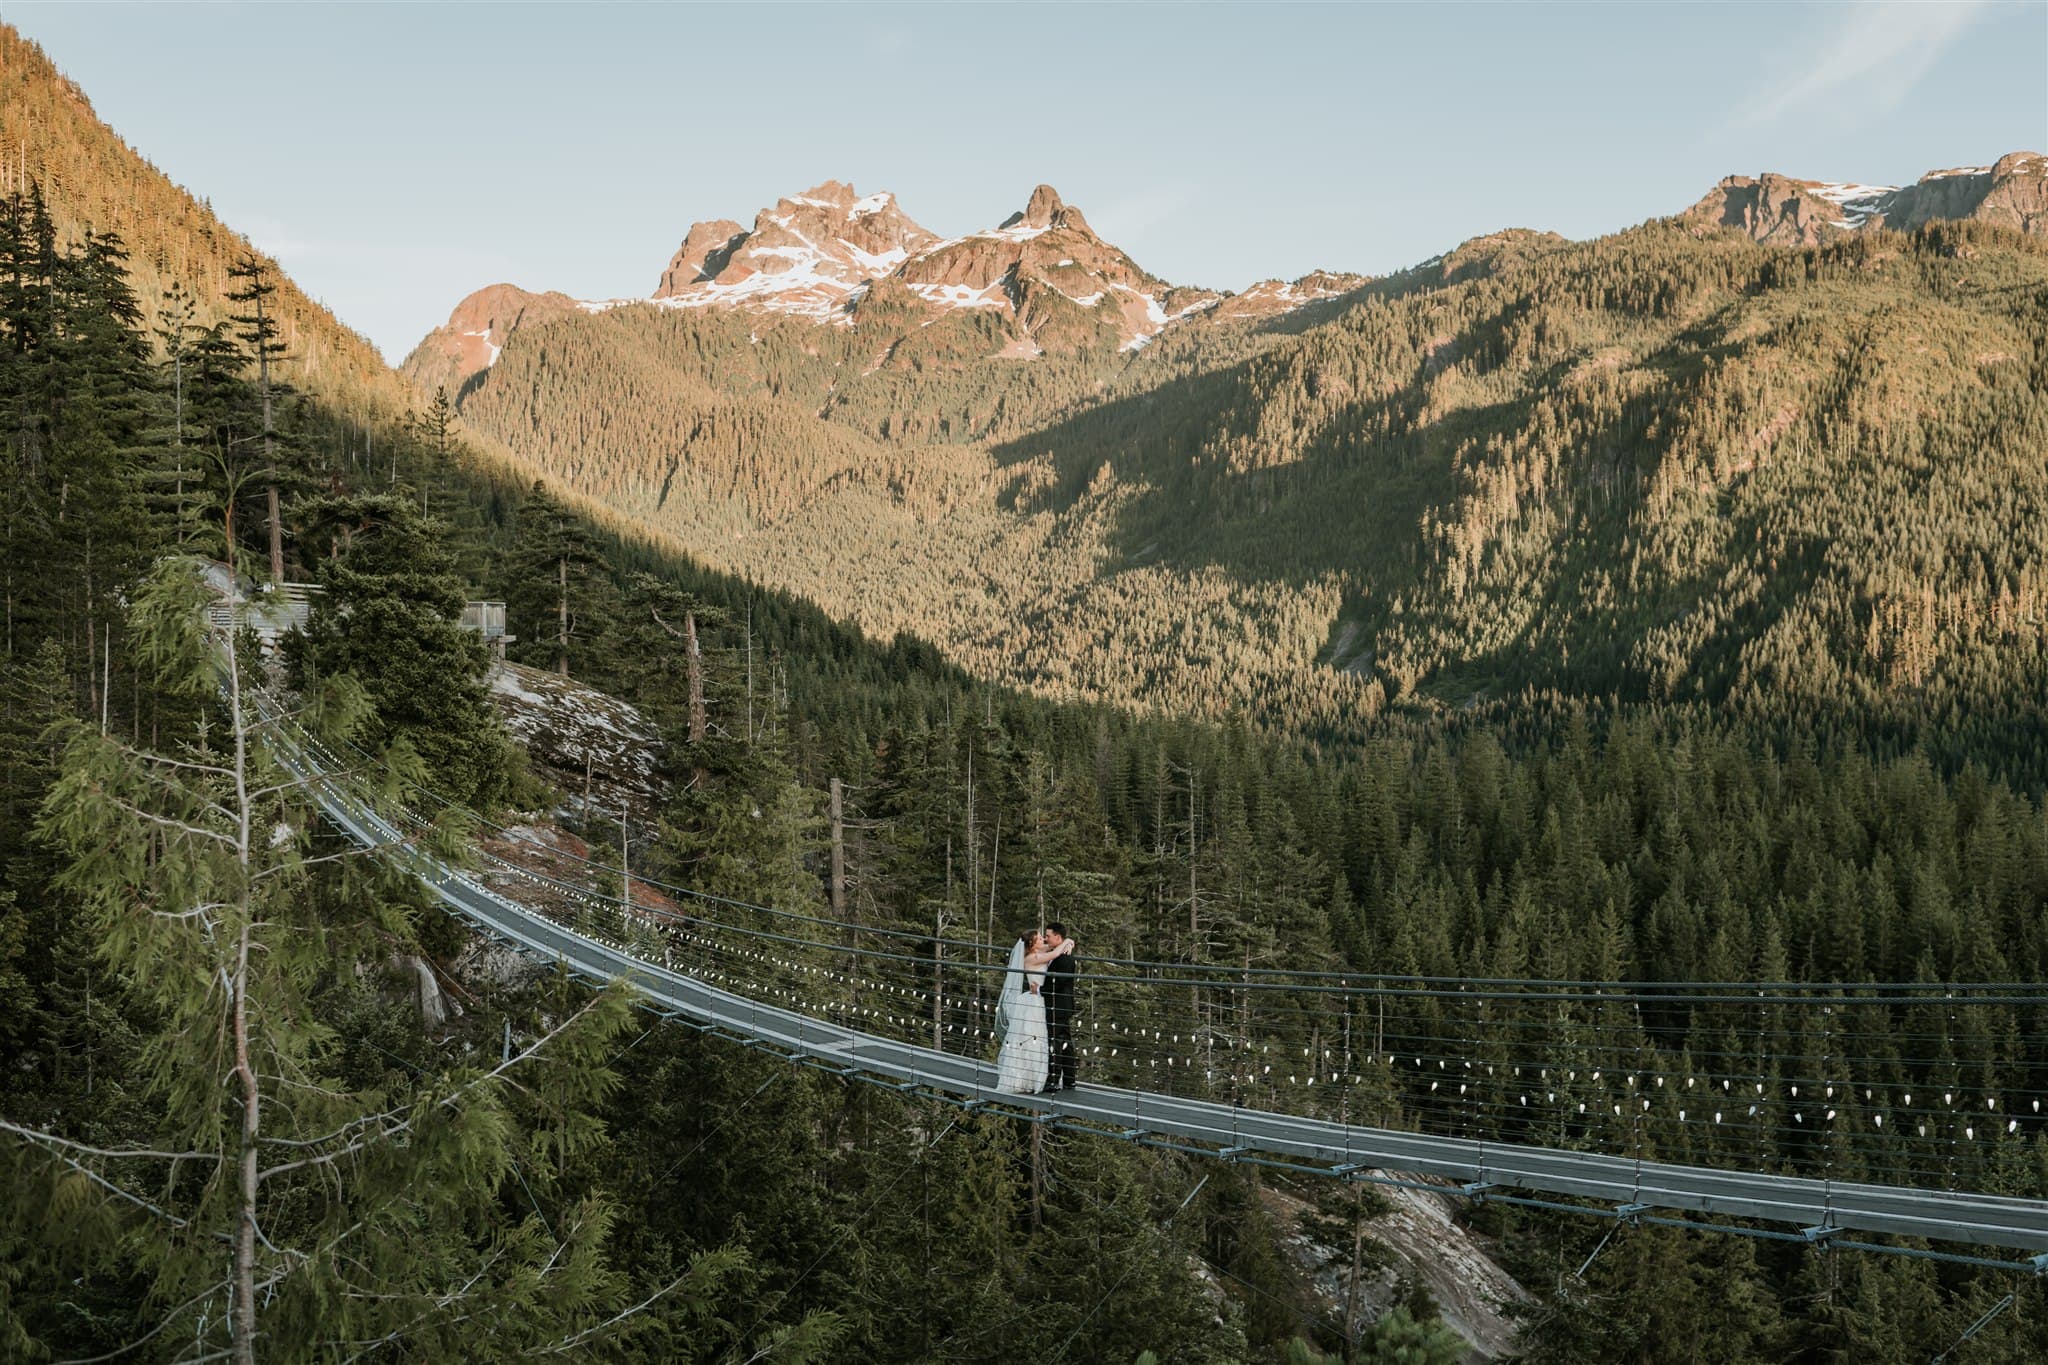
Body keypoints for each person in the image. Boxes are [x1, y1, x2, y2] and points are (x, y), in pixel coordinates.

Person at [994, 930, 1074, 1094]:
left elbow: (1054, 947)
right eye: (1039, 938)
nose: (1043, 939)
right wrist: (1066, 942)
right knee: (1033, 1038)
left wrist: (1069, 941)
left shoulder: (1039, 951)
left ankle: (1042, 1076)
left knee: (1041, 1038)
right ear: (1032, 944)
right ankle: (1028, 1078)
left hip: (1041, 998)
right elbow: (1056, 952)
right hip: (1035, 1000)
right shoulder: (1032, 958)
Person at [1042, 922, 1078, 1092]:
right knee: (1064, 1041)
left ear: (1058, 937)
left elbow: (1058, 983)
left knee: (1056, 1041)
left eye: (1048, 935)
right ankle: (1069, 1079)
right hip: (1060, 1005)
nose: (1045, 938)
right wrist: (1069, 941)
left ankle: (1054, 1080)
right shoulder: (1054, 953)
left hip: (1057, 1005)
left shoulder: (1065, 959)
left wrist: (1039, 990)